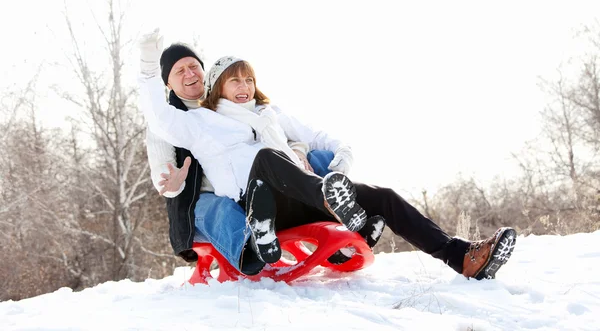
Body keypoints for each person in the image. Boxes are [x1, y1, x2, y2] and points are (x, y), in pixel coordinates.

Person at [139, 31, 517, 281]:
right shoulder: (199, 122)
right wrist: (147, 63)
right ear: (217, 86)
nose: (244, 87)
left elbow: (314, 138)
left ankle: (461, 255)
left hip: (297, 195)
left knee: (382, 196)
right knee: (267, 160)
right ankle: (339, 207)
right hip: (259, 203)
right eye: (234, 80)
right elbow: (158, 117)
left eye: (248, 79)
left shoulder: (268, 114)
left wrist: (334, 160)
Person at [141, 32, 383, 275]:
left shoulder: (226, 97)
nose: (190, 74)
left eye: (193, 66)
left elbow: (274, 130)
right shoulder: (167, 122)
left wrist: (297, 151)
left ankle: (346, 217)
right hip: (201, 195)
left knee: (319, 159)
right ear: (168, 84)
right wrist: (174, 183)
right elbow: (161, 174)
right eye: (179, 71)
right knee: (216, 206)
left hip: (253, 182)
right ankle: (250, 250)